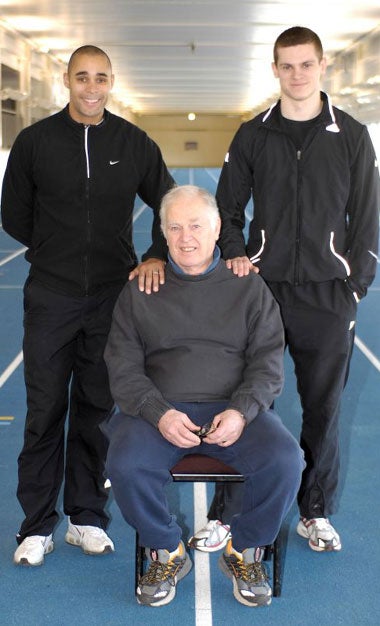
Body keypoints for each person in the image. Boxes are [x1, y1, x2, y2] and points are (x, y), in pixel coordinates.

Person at [191, 26, 379, 555]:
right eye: (287, 65)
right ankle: (229, 512)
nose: (297, 75)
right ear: (274, 69)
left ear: (323, 67)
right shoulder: (253, 134)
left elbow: (366, 218)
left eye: (306, 64)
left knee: (325, 408)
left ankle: (313, 510)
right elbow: (226, 207)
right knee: (244, 404)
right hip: (263, 291)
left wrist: (355, 287)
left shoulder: (354, 135)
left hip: (328, 295)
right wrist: (235, 255)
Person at [1, 45, 175, 567]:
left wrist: (153, 255)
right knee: (44, 409)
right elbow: (13, 213)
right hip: (51, 296)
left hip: (111, 298)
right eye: (82, 77)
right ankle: (35, 527)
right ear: (66, 80)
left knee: (98, 410)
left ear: (111, 81)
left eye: (100, 77)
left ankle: (86, 518)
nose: (91, 87)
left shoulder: (133, 142)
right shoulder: (34, 142)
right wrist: (52, 251)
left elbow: (169, 203)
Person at [103, 185, 305, 608]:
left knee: (286, 460)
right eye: (174, 227)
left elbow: (268, 364)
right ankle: (166, 550)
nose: (186, 237)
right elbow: (122, 368)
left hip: (232, 410)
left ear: (217, 229)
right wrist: (158, 413)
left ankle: (245, 550)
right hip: (156, 412)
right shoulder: (141, 290)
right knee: (124, 462)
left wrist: (241, 411)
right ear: (162, 233)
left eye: (196, 225)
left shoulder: (248, 287)